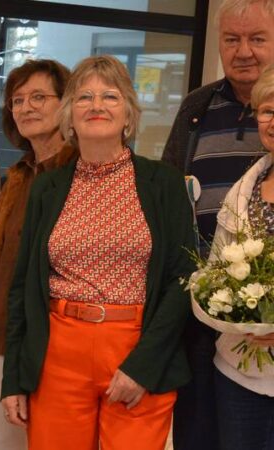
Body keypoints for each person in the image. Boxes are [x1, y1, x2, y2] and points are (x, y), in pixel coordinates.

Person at [1, 55, 194, 450]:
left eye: (111, 96)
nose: (97, 105)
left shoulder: (165, 184)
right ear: (69, 116)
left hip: (139, 350)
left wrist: (142, 366)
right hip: (57, 354)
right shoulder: (47, 188)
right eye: (84, 97)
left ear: (129, 115)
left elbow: (182, 278)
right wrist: (14, 378)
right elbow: (22, 287)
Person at [161, 1, 274, 447]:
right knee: (199, 430)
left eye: (257, 38)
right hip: (202, 308)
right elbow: (170, 196)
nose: (243, 51)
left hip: (265, 320)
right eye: (232, 39)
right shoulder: (197, 107)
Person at [0, 59, 74, 450]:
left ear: (67, 103)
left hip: (59, 344)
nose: (25, 107)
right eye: (17, 100)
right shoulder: (19, 176)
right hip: (1, 340)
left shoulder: (82, 174)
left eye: (39, 97)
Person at [209, 64, 274, 450]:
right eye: (268, 110)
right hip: (238, 371)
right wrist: (235, 315)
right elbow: (218, 267)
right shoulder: (243, 188)